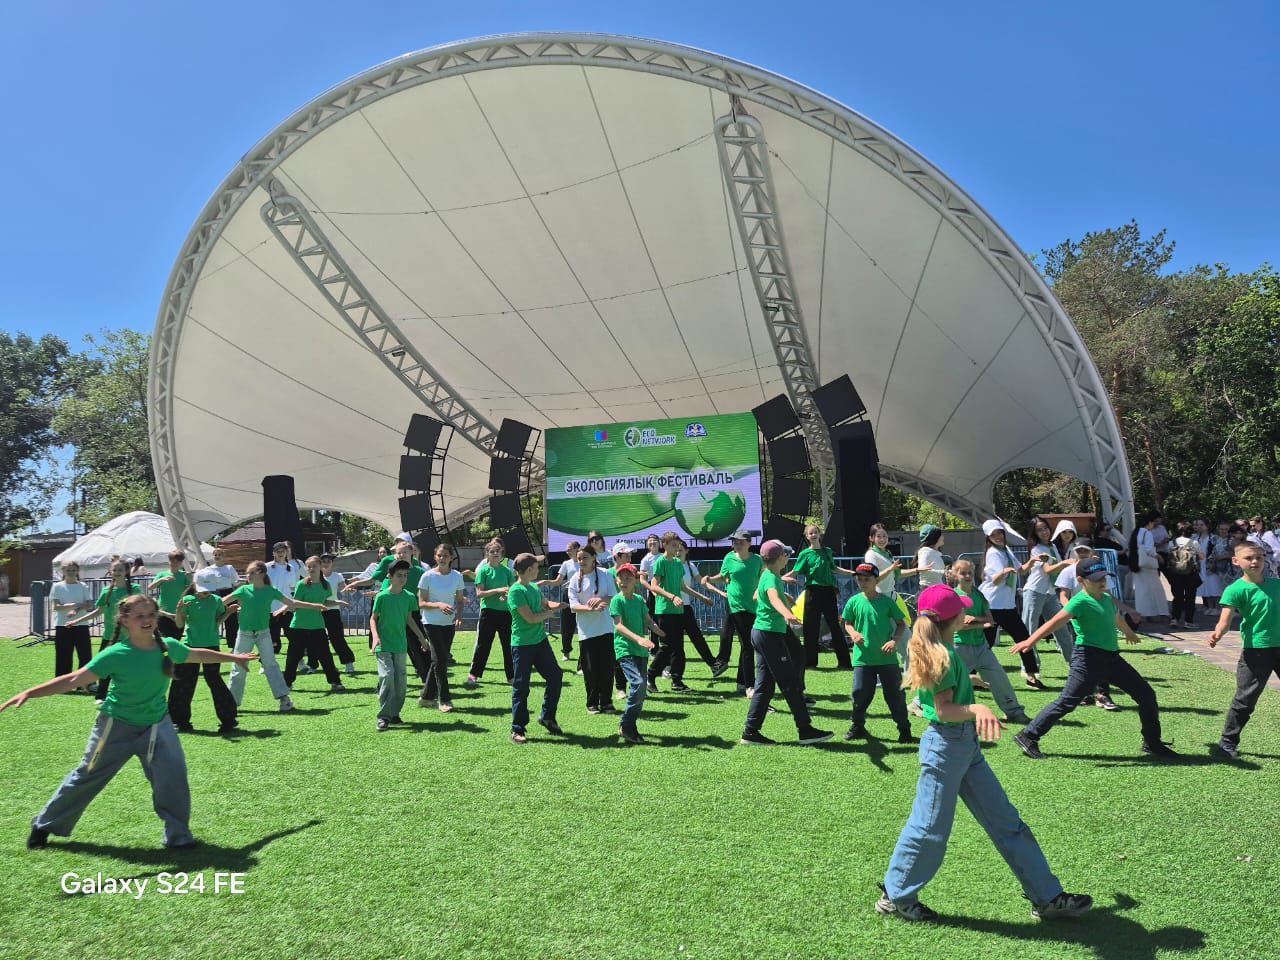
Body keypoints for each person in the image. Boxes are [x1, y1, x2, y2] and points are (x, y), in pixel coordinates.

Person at [876, 584, 1091, 924]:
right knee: (929, 828)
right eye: (962, 610)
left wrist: (970, 684)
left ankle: (1047, 897)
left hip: (963, 746)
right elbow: (943, 710)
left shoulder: (943, 648)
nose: (967, 613)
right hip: (946, 748)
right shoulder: (943, 655)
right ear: (952, 618)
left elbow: (945, 693)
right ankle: (896, 895)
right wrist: (976, 707)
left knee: (1007, 822)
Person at [7, 594, 257, 850]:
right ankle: (44, 824)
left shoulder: (167, 646)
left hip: (157, 725)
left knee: (173, 777)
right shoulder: (116, 654)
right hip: (115, 727)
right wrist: (30, 692)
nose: (146, 620)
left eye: (150, 615)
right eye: (139, 616)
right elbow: (74, 679)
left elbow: (196, 654)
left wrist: (234, 658)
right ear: (125, 620)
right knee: (87, 776)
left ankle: (178, 835)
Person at [1011, 557, 1176, 760]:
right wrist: (1030, 641)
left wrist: (1128, 633)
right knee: (1067, 702)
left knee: (1146, 695)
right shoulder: (1079, 601)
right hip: (1088, 659)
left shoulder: (1105, 598)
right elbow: (1054, 622)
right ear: (1081, 580)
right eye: (1096, 579)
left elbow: (1115, 617)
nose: (1101, 582)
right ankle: (1028, 735)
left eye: (1103, 577)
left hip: (1112, 659)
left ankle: (1152, 742)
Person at [739, 540, 833, 746]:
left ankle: (750, 732)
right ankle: (805, 730)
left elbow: (757, 596)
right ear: (779, 558)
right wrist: (786, 613)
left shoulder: (768, 575)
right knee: (790, 683)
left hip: (761, 633)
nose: (788, 559)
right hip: (769, 636)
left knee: (764, 686)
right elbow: (772, 598)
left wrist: (783, 596)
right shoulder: (771, 578)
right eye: (786, 555)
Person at [1209, 541, 1280, 760]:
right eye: (1249, 558)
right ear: (1236, 561)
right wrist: (1217, 633)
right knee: (1245, 699)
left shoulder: (1277, 584)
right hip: (1256, 651)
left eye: (1259, 557)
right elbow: (1225, 621)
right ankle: (1227, 742)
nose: (1255, 561)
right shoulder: (1235, 590)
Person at [226, 560, 326, 713]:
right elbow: (222, 601)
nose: (248, 575)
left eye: (252, 572)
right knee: (238, 667)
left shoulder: (270, 591)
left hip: (263, 634)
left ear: (262, 574)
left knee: (271, 665)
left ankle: (284, 700)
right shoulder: (243, 590)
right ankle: (232, 703)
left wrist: (314, 606)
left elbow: (291, 602)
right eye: (248, 573)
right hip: (244, 634)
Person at [949, 559, 1031, 724]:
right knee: (950, 683)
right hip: (960, 647)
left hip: (981, 647)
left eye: (970, 573)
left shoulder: (979, 595)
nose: (967, 576)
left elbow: (990, 620)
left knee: (999, 678)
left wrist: (975, 619)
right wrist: (980, 624)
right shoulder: (953, 596)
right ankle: (920, 703)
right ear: (955, 575)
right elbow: (959, 626)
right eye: (963, 573)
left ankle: (1014, 712)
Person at [841, 562, 911, 742]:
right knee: (859, 694)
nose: (863, 583)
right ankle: (858, 726)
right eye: (859, 579)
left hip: (887, 659)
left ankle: (904, 729)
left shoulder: (887, 602)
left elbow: (901, 624)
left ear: (877, 580)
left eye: (867, 579)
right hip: (863, 659)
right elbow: (847, 623)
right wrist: (853, 633)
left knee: (896, 696)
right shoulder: (854, 601)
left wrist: (894, 640)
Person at [166, 569, 239, 734]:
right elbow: (179, 625)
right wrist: (179, 611)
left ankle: (228, 719)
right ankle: (179, 720)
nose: (205, 593)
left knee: (215, 681)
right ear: (194, 585)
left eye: (208, 590)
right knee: (183, 683)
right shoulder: (187, 601)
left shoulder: (216, 601)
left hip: (212, 646)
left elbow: (217, 622)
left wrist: (227, 612)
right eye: (202, 590)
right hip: (189, 647)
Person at [507, 553, 566, 744]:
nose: (539, 569)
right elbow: (531, 618)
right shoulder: (516, 591)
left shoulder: (533, 587)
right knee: (521, 687)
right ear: (529, 569)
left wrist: (561, 605)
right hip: (522, 645)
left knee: (555, 676)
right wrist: (549, 613)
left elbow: (545, 604)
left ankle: (547, 717)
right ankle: (517, 729)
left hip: (540, 642)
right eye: (536, 566)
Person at [67, 558, 143, 704]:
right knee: (104, 666)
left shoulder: (135, 589)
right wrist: (76, 621)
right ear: (110, 571)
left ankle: (131, 695)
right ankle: (101, 695)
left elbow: (143, 608)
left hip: (130, 636)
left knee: (131, 667)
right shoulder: (106, 591)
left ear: (126, 571)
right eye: (115, 570)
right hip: (110, 636)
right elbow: (98, 611)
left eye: (120, 570)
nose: (117, 572)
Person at [978, 519, 1042, 687]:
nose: (998, 536)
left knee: (1024, 639)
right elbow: (995, 580)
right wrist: (1004, 572)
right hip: (993, 606)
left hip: (1007, 605)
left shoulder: (1006, 550)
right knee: (986, 644)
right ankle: (970, 676)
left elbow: (1021, 570)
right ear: (988, 537)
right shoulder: (993, 553)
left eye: (1000, 532)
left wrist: (1033, 561)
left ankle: (1031, 676)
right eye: (993, 534)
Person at [1055, 546, 1119, 711]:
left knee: (1103, 655)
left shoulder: (1100, 571)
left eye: (1086, 550)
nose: (1082, 554)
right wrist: (1071, 613)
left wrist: (1125, 612)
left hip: (1099, 619)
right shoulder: (1069, 571)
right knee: (1083, 659)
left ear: (1092, 552)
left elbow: (1108, 596)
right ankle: (1086, 694)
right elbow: (1063, 595)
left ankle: (1103, 694)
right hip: (1079, 619)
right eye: (1079, 551)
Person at [703, 531, 763, 696]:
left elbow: (763, 578)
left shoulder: (757, 560)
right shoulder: (729, 558)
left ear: (749, 543)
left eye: (741, 542)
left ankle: (741, 683)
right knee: (748, 646)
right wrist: (710, 579)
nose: (737, 545)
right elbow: (724, 576)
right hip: (736, 606)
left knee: (746, 646)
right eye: (735, 542)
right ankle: (750, 686)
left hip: (753, 607)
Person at [790, 523, 857, 671]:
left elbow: (834, 568)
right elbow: (795, 572)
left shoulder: (827, 551)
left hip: (828, 592)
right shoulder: (804, 554)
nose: (813, 535)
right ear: (807, 536)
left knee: (835, 626)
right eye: (810, 533)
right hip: (812, 592)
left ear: (819, 534)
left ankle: (845, 663)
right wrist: (777, 577)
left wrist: (851, 573)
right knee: (810, 628)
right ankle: (810, 663)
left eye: (815, 532)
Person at [371, 559, 428, 731]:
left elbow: (409, 620)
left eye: (404, 575)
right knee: (388, 675)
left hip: (400, 645)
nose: (402, 579)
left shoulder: (409, 597)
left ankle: (394, 714)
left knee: (400, 681)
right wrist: (375, 637)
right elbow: (373, 619)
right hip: (383, 644)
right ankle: (383, 716)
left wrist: (422, 638)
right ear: (389, 576)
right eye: (398, 575)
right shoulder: (382, 596)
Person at [611, 564, 661, 744]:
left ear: (635, 582)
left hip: (641, 651)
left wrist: (659, 631)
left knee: (640, 691)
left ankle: (627, 726)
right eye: (621, 578)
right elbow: (618, 625)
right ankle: (627, 725)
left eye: (628, 578)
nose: (623, 581)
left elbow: (647, 620)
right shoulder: (617, 600)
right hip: (625, 649)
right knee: (638, 683)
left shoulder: (639, 600)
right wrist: (639, 638)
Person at [567, 544, 618, 715]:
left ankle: (607, 702)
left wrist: (601, 600)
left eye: (585, 558)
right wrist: (590, 608)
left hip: (605, 628)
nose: (581, 561)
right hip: (586, 631)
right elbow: (573, 606)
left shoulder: (605, 574)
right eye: (579, 558)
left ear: (594, 557)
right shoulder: (574, 579)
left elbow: (613, 596)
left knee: (607, 667)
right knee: (590, 669)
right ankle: (592, 703)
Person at [282, 556, 345, 693]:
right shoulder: (302, 584)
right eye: (308, 566)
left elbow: (324, 602)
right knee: (293, 657)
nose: (311, 569)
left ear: (320, 567)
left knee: (326, 656)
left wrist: (337, 602)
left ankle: (335, 682)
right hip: (299, 626)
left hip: (317, 626)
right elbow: (295, 603)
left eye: (314, 566)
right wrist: (287, 607)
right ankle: (287, 684)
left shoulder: (325, 585)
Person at [1021, 519, 1076, 670]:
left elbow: (1061, 569)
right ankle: (1030, 668)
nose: (1044, 532)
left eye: (1045, 528)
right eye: (1039, 530)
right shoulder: (1037, 549)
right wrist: (1064, 563)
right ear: (1035, 533)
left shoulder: (1053, 546)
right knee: (1029, 631)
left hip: (1050, 593)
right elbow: (1048, 570)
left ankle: (1075, 666)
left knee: (1062, 628)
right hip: (1034, 592)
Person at [417, 543, 465, 712]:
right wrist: (438, 604)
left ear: (451, 557)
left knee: (439, 660)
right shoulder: (427, 576)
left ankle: (425, 697)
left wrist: (459, 616)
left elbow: (460, 600)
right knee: (441, 661)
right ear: (435, 557)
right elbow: (421, 603)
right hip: (430, 622)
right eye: (439, 555)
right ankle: (444, 700)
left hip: (448, 623)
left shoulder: (457, 576)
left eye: (445, 555)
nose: (442, 558)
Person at [466, 538, 516, 687]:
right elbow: (479, 593)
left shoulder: (507, 571)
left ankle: (511, 676)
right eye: (492, 551)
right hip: (488, 612)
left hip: (505, 613)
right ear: (487, 554)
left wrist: (506, 595)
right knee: (483, 645)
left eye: (497, 551)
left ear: (502, 553)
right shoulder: (483, 571)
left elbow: (513, 590)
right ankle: (473, 675)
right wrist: (497, 590)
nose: (495, 554)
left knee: (508, 645)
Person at [646, 532, 689, 693]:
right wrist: (672, 597)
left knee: (679, 648)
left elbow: (683, 587)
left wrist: (703, 597)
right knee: (667, 647)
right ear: (664, 545)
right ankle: (650, 676)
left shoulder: (678, 563)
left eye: (678, 545)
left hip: (678, 611)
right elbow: (654, 586)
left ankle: (677, 681)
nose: (677, 548)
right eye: (673, 545)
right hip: (664, 610)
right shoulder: (660, 562)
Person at [49, 561, 94, 685]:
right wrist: (74, 605)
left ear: (77, 571)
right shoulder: (57, 586)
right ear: (63, 571)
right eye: (68, 570)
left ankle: (85, 683)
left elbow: (89, 604)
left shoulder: (83, 586)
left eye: (74, 570)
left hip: (81, 625)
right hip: (63, 625)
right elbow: (57, 606)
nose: (71, 572)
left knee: (85, 655)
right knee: (63, 655)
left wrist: (76, 609)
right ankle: (62, 684)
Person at [538, 540, 580, 662]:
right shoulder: (566, 564)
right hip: (569, 596)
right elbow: (557, 581)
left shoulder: (586, 562)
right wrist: (545, 582)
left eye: (569, 549)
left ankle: (585, 654)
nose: (567, 552)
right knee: (567, 625)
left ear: (577, 549)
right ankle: (566, 651)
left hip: (583, 596)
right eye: (567, 550)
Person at [318, 554, 357, 675]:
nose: (326, 563)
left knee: (337, 638)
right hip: (317, 611)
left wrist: (348, 590)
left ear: (332, 563)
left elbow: (343, 589)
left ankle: (348, 663)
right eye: (323, 561)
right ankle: (313, 665)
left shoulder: (337, 576)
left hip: (332, 610)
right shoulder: (315, 576)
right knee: (315, 639)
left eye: (328, 561)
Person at [265, 542, 303, 654]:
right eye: (278, 551)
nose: (280, 553)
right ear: (273, 553)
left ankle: (299, 658)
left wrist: (293, 604)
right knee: (273, 637)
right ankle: (268, 660)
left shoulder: (291, 568)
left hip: (286, 607)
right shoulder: (266, 567)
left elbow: (293, 588)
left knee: (291, 634)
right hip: (270, 608)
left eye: (283, 551)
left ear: (286, 552)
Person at [1128, 512, 1166, 620]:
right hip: (1148, 566)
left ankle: (1142, 613)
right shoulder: (1147, 533)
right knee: (1153, 590)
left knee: (1141, 591)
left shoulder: (1135, 532)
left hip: (1136, 563)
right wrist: (1159, 557)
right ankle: (1154, 613)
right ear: (1149, 522)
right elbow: (1149, 550)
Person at [1166, 521, 1204, 629]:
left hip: (1175, 573)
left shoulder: (1172, 543)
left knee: (1177, 597)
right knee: (1190, 598)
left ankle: (1174, 619)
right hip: (1190, 572)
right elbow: (1201, 556)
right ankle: (1188, 621)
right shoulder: (1194, 543)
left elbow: (1169, 555)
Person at [148, 550, 191, 640]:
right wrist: (161, 580)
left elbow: (192, 590)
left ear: (181, 562)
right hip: (163, 612)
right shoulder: (162, 574)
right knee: (163, 641)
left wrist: (191, 579)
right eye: (173, 560)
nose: (175, 563)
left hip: (179, 612)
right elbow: (150, 587)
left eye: (178, 561)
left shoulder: (184, 575)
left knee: (176, 640)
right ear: (169, 561)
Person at [205, 547, 242, 649]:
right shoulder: (208, 569)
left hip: (228, 592)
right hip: (214, 593)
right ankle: (210, 643)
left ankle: (233, 645)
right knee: (213, 619)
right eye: (215, 555)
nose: (217, 556)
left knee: (231, 620)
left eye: (219, 554)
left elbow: (236, 582)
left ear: (223, 556)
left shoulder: (229, 568)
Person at [1199, 520, 1232, 613]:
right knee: (1210, 586)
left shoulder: (1232, 541)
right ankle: (1211, 607)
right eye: (1221, 529)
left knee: (1220, 588)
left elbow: (1236, 554)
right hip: (1215, 566)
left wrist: (1222, 557)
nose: (1223, 531)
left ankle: (1218, 608)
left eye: (1226, 529)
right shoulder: (1216, 539)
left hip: (1228, 568)